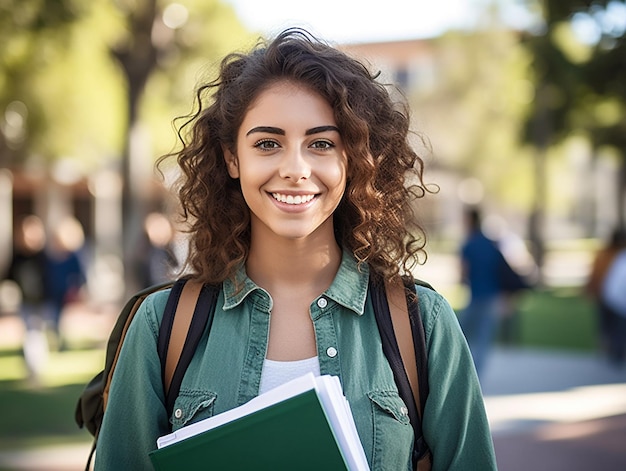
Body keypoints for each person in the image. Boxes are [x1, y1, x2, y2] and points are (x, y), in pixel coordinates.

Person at [95, 29, 496, 470]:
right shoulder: (161, 326)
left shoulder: (423, 323)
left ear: (353, 158)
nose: (294, 169)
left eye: (321, 144)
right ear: (232, 158)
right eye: (268, 143)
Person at [458, 206, 505, 378]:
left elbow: (463, 272)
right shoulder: (490, 243)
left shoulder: (469, 244)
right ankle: (477, 374)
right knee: (484, 337)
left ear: (470, 220)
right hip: (492, 294)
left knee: (460, 333)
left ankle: (463, 371)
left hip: (476, 294)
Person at [5, 215, 50, 379]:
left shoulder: (43, 257)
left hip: (41, 301)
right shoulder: (19, 256)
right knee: (30, 333)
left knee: (36, 333)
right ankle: (32, 367)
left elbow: (49, 279)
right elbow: (9, 275)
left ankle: (36, 366)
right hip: (25, 301)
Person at [44, 216, 86, 349]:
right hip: (53, 293)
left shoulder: (73, 257)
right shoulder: (52, 257)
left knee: (66, 319)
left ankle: (63, 342)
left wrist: (76, 289)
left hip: (67, 293)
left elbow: (80, 275)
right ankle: (56, 340)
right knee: (54, 318)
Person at [585, 227, 626, 361]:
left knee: (610, 329)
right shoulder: (616, 255)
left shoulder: (608, 254)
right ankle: (611, 354)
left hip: (607, 297)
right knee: (613, 329)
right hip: (610, 298)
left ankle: (611, 353)